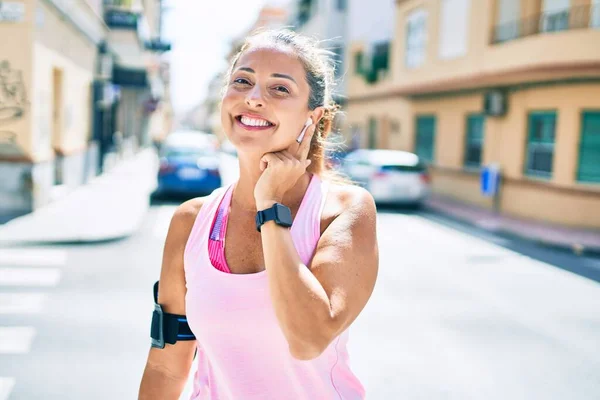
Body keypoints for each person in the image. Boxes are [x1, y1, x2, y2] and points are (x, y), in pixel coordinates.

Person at [138, 29, 379, 400]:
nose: (253, 99)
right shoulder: (191, 222)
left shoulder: (344, 211)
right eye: (242, 81)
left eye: (279, 89)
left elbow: (307, 340)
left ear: (313, 118)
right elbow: (166, 367)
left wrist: (271, 206)